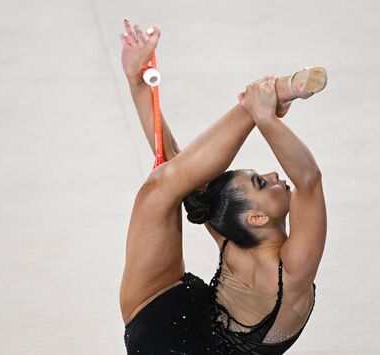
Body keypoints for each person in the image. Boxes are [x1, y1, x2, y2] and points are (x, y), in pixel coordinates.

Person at [119, 20, 327, 354]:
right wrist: (138, 82)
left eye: (260, 180)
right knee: (166, 185)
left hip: (158, 336)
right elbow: (176, 168)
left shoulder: (291, 273)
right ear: (256, 219)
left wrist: (266, 119)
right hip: (181, 316)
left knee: (164, 186)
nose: (275, 175)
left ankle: (260, 102)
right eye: (262, 181)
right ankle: (261, 100)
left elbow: (309, 181)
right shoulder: (258, 250)